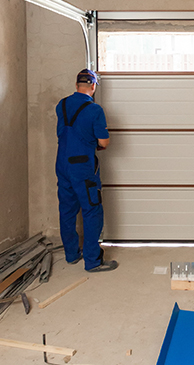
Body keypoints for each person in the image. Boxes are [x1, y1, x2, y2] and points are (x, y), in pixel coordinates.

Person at [55, 69, 118, 272]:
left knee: (67, 210)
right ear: (93, 86)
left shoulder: (62, 105)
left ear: (76, 85)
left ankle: (72, 254)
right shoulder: (95, 110)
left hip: (62, 164)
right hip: (82, 166)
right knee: (92, 210)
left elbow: (64, 133)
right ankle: (92, 261)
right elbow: (104, 142)